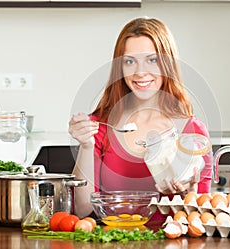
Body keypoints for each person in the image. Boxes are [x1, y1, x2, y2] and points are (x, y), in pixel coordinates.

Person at [68, 17, 213, 218]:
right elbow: (82, 210)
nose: (140, 72)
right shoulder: (100, 126)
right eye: (129, 61)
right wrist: (85, 146)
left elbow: (200, 216)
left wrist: (189, 194)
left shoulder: (192, 131)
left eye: (152, 60)